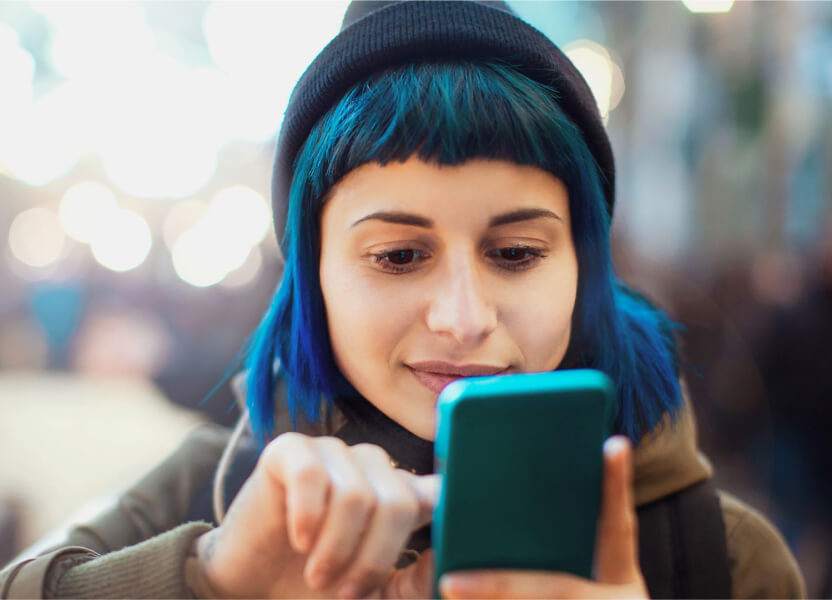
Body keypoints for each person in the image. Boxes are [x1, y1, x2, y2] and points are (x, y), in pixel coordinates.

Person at [0, 1, 805, 598]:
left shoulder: (721, 555)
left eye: (516, 253)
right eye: (398, 255)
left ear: (584, 269)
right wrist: (211, 581)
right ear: (312, 275)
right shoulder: (213, 492)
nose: (462, 316)